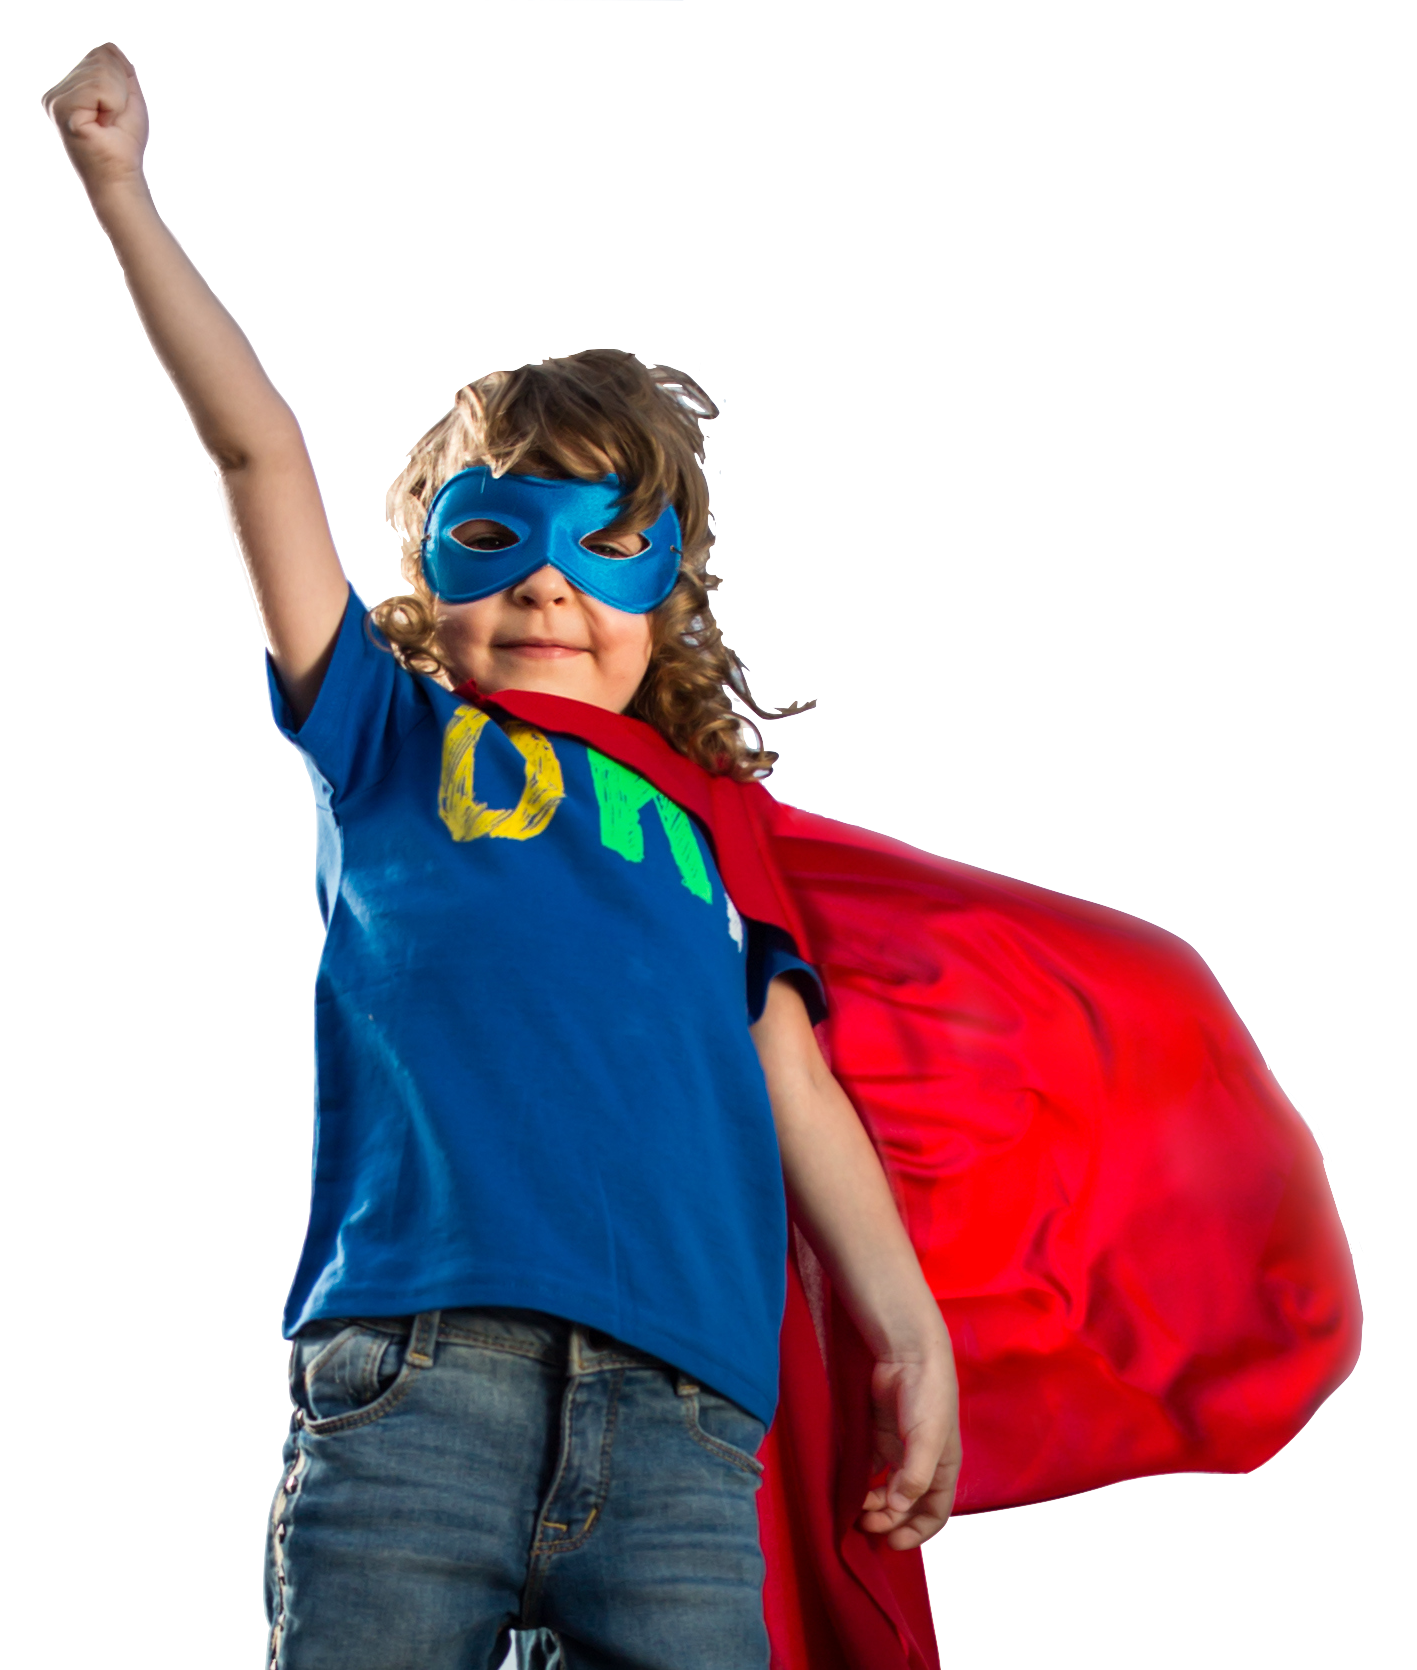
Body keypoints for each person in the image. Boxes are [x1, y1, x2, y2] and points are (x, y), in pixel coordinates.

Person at [42, 42, 962, 1670]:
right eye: (499, 536)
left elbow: (796, 1086)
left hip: (684, 1424)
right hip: (412, 1391)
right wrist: (123, 191)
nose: (547, 589)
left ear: (665, 597)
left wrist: (908, 1333)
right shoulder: (390, 737)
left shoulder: (712, 828)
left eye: (605, 547)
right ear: (432, 568)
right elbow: (257, 456)